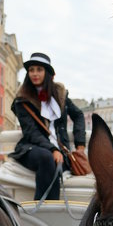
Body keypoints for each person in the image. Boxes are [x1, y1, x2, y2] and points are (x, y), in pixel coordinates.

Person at [10, 52, 86, 201]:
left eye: (39, 69)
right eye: (31, 70)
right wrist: (52, 149)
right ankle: (43, 209)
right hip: (31, 148)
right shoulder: (22, 100)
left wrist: (80, 144)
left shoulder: (60, 95)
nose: (34, 74)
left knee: (54, 162)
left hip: (61, 152)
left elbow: (78, 115)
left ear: (47, 72)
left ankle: (49, 210)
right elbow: (30, 132)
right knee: (47, 158)